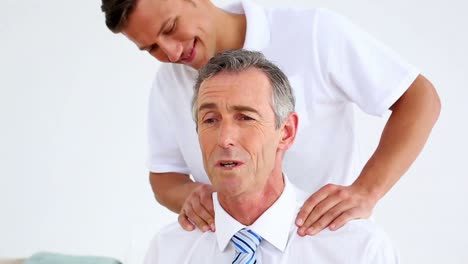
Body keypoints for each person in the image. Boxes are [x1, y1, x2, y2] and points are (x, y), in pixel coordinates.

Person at [100, 0, 441, 236]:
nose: (171, 52)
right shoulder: (169, 81)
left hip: (322, 242)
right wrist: (189, 196)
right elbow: (164, 176)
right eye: (152, 48)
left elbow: (419, 97)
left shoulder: (314, 33)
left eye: (171, 28)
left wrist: (367, 190)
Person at [144, 49, 399, 263]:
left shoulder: (358, 249)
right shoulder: (168, 251)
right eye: (210, 120)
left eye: (245, 118)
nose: (224, 139)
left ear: (286, 132)